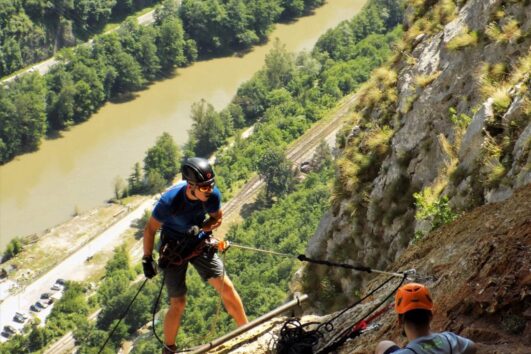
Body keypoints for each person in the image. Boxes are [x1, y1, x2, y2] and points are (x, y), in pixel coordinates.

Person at [142, 157, 248, 354]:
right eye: (204, 187)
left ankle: (247, 330)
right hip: (173, 250)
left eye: (211, 185)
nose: (209, 190)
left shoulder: (212, 195)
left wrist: (202, 227)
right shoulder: (169, 202)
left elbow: (217, 219)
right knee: (178, 303)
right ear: (191, 186)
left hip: (198, 241)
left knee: (226, 287)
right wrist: (147, 259)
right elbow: (149, 230)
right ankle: (169, 349)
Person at [375, 283, 477, 354]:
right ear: (430, 316)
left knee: (383, 345)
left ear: (400, 320)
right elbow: (472, 347)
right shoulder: (449, 340)